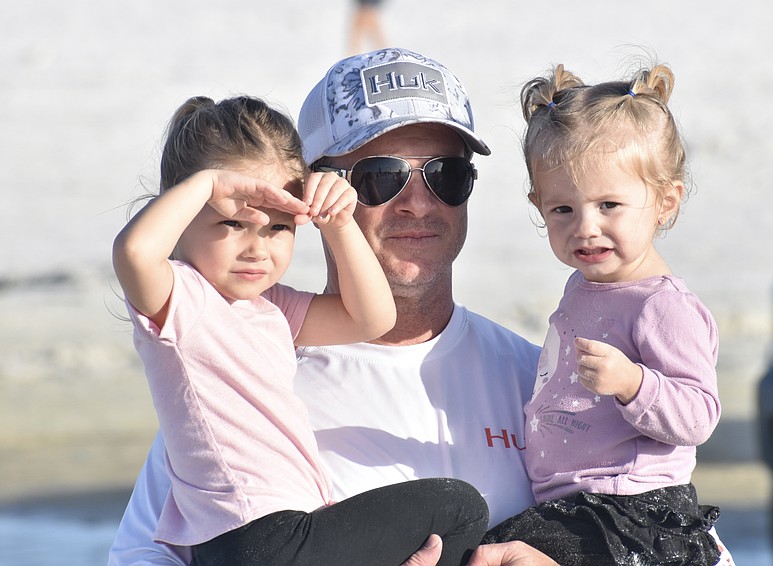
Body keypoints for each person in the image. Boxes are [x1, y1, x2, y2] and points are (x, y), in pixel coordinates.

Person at [111, 94, 489, 565]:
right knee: (459, 509)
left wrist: (338, 224)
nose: (257, 249)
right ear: (181, 216)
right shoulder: (181, 299)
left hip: (267, 536)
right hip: (258, 534)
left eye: (279, 227)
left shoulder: (271, 307)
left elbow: (372, 317)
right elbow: (133, 254)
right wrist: (206, 184)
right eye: (233, 222)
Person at [479, 63, 733, 566]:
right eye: (563, 211)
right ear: (538, 205)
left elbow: (700, 414)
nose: (586, 228)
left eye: (609, 204)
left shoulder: (660, 304)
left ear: (665, 202)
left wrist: (633, 383)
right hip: (574, 503)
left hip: (633, 511)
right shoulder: (582, 285)